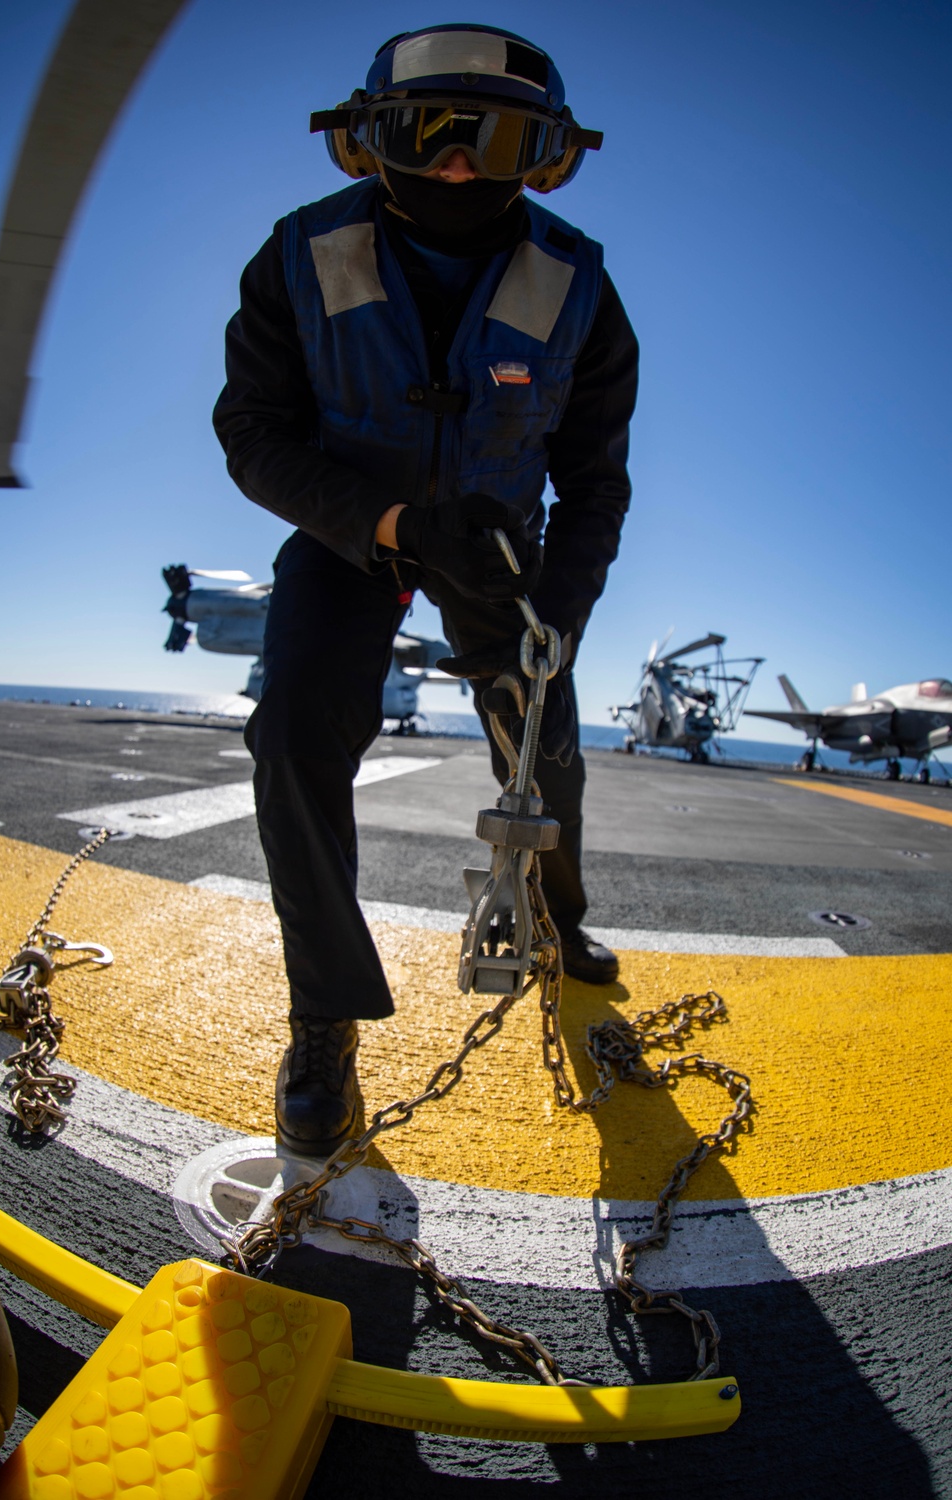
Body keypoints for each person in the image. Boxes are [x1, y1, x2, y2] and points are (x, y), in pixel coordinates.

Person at [213, 24, 639, 1157]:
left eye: (490, 140)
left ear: (542, 159)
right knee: (293, 734)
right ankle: (323, 1021)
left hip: (505, 551)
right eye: (427, 133)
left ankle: (561, 918)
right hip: (349, 532)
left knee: (543, 754)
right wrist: (394, 524)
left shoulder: (582, 284)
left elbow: (596, 478)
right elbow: (251, 435)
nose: (456, 165)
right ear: (368, 142)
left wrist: (561, 605)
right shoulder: (297, 256)